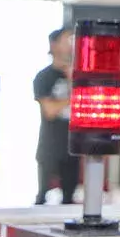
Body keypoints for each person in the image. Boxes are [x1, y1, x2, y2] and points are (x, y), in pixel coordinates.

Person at [34, 28, 77, 205]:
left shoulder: (77, 77)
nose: (70, 45)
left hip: (73, 144)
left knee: (69, 197)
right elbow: (49, 111)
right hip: (50, 144)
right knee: (43, 194)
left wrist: (72, 80)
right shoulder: (44, 77)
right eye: (66, 40)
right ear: (54, 45)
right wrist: (70, 98)